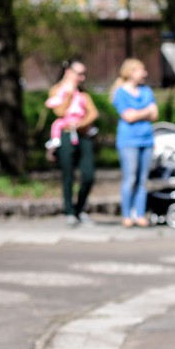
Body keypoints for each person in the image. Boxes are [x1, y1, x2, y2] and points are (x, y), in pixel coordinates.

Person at [46, 60, 99, 226]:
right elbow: (60, 111)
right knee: (68, 175)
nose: (82, 78)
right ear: (69, 72)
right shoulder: (56, 91)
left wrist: (81, 124)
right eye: (79, 74)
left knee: (88, 175)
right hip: (66, 135)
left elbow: (93, 114)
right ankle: (69, 211)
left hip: (83, 135)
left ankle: (80, 208)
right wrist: (68, 94)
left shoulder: (84, 95)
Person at [111, 58, 158, 228]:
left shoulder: (146, 91)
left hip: (146, 139)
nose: (145, 73)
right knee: (130, 178)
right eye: (141, 70)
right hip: (128, 141)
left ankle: (140, 214)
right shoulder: (120, 92)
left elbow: (155, 115)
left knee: (142, 180)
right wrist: (146, 111)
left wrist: (139, 113)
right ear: (131, 72)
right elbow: (128, 117)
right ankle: (126, 215)